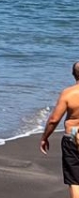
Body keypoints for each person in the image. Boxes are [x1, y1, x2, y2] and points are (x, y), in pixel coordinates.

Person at [41, 61, 79, 197]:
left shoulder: (68, 93)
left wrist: (44, 138)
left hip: (74, 135)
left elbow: (54, 120)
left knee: (75, 179)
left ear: (73, 75)